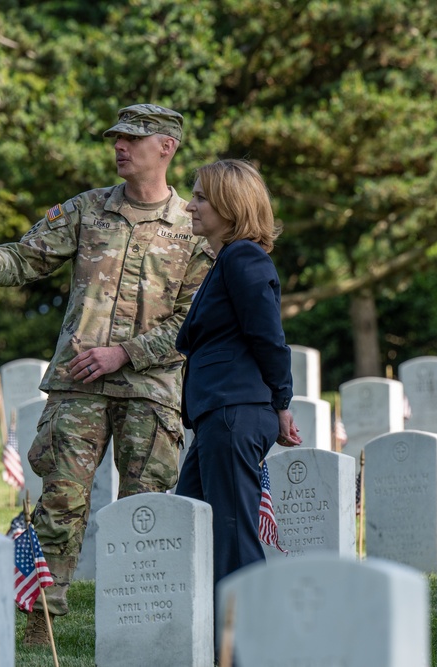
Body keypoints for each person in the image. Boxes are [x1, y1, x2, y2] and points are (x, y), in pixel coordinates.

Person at [0, 104, 214, 645]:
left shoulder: (196, 228)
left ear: (167, 147)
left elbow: (193, 321)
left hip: (150, 390)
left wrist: (127, 353)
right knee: (60, 503)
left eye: (133, 139)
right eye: (116, 138)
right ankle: (38, 624)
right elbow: (26, 257)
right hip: (78, 386)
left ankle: (145, 627)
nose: (119, 147)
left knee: (147, 509)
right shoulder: (87, 210)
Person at [174, 159, 302, 593]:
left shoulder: (243, 256)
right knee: (191, 522)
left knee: (232, 539)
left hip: (233, 411)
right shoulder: (226, 260)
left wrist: (281, 403)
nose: (189, 206)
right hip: (220, 413)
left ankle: (249, 646)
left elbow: (268, 336)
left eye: (200, 197)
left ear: (230, 206)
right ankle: (208, 644)